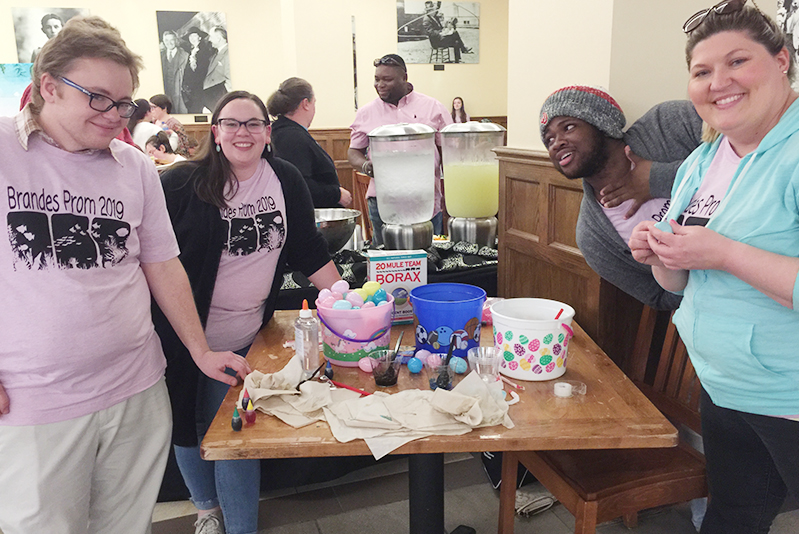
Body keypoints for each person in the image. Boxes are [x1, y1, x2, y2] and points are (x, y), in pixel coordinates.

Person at [0, 16, 249, 534]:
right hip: (34, 402)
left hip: (136, 389)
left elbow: (162, 265)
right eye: (99, 98)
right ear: (49, 86)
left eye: (124, 103)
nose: (116, 115)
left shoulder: (131, 166)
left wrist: (200, 350)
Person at [629, 5, 799, 533]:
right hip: (724, 383)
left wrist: (723, 253)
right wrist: (662, 255)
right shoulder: (705, 160)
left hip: (789, 394)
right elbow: (680, 282)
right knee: (734, 515)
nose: (718, 82)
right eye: (702, 71)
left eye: (737, 62)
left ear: (782, 60)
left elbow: (718, 255)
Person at [156, 90, 340, 534]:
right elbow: (152, 260)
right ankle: (206, 511)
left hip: (246, 334)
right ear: (215, 132)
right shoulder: (180, 183)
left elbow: (306, 246)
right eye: (232, 123)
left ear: (268, 131)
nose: (243, 132)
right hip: (185, 334)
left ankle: (240, 528)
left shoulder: (284, 178)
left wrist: (347, 300)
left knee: (237, 431)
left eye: (253, 123)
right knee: (188, 422)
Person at [540, 85, 702, 310]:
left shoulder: (669, 123)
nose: (556, 143)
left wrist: (658, 179)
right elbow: (658, 297)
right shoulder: (592, 239)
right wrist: (699, 284)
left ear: (602, 123)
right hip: (712, 318)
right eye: (549, 140)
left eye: (568, 127)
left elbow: (748, 162)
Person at [347, 53, 452, 245]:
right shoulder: (366, 113)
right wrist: (366, 166)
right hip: (383, 202)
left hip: (424, 200)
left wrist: (450, 192)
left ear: (404, 77)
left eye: (387, 79)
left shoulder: (432, 107)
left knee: (428, 260)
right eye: (377, 79)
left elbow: (448, 151)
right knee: (387, 263)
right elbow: (353, 152)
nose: (380, 84)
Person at [268, 77, 352, 208]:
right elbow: (299, 185)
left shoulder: (286, 132)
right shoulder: (291, 137)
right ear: (305, 103)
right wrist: (336, 194)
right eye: (314, 103)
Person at [181, 27, 213, 113]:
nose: (192, 38)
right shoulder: (189, 52)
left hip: (203, 84)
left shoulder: (205, 49)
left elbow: (204, 68)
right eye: (190, 37)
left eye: (194, 36)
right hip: (193, 87)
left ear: (199, 37)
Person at [202, 27, 232, 112]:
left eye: (211, 37)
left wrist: (227, 99)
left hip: (220, 97)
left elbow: (230, 79)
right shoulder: (216, 53)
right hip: (212, 98)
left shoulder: (228, 53)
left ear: (218, 38)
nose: (209, 40)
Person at [160, 30, 189, 114]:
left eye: (171, 40)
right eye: (166, 40)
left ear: (176, 40)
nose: (169, 43)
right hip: (166, 94)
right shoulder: (160, 56)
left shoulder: (185, 55)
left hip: (180, 94)